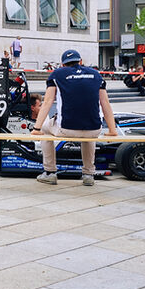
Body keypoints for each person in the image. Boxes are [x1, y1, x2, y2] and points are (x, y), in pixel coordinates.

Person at [32, 49, 117, 186]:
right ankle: (88, 174)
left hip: (66, 128)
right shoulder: (96, 74)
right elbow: (105, 103)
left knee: (45, 129)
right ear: (81, 61)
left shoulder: (57, 74)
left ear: (63, 64)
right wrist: (112, 130)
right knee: (89, 136)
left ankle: (50, 172)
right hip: (94, 129)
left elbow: (47, 102)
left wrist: (36, 128)